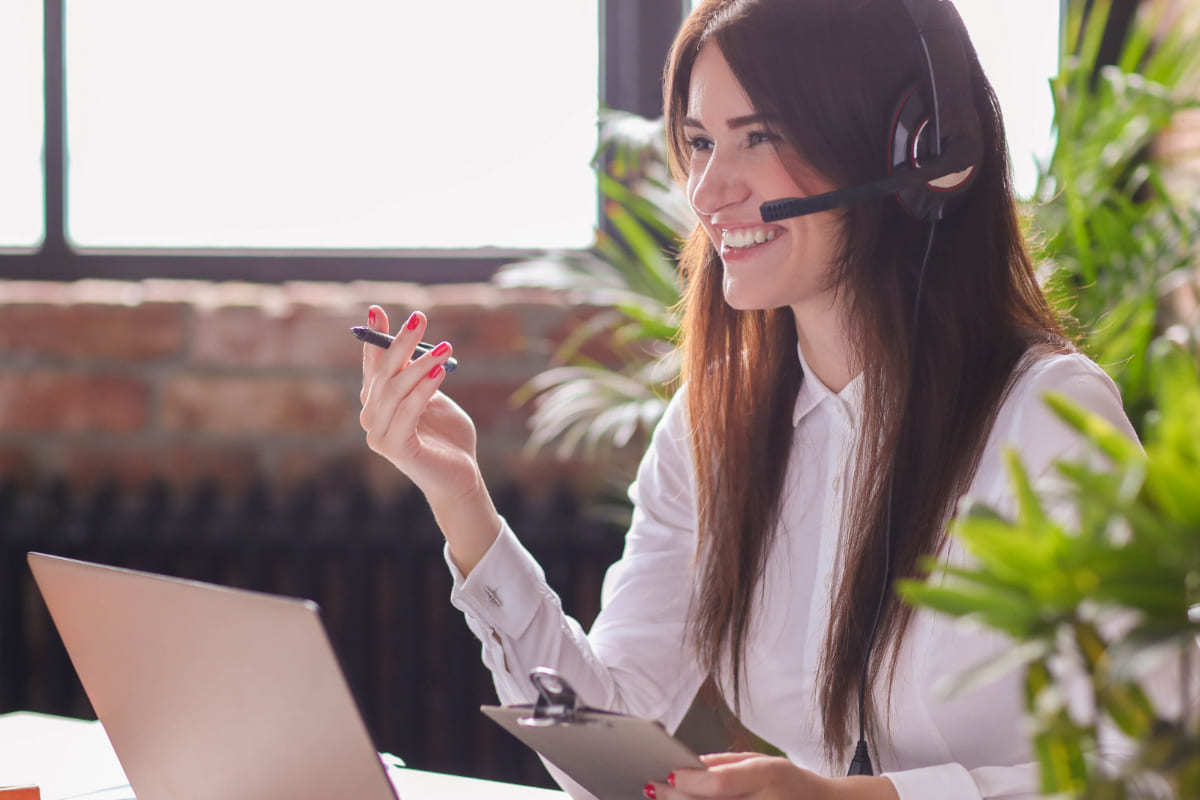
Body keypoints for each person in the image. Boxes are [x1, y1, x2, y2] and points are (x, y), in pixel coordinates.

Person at [358, 1, 1142, 798]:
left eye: (759, 137)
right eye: (700, 142)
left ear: (918, 154)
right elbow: (600, 744)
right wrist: (462, 503)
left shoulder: (1048, 420)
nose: (706, 192)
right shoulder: (713, 426)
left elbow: (1150, 773)